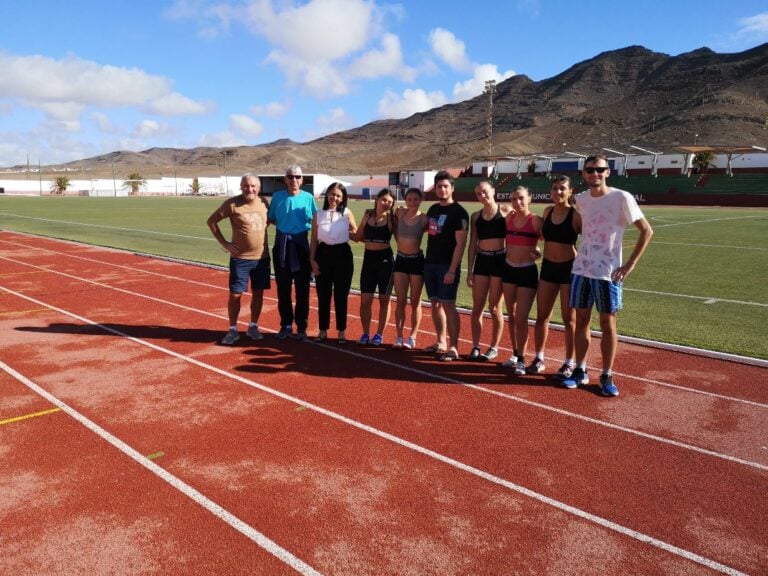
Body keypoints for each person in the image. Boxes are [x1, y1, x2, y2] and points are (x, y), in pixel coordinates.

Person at [562, 154, 653, 396]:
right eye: (590, 170)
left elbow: (646, 231)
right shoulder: (581, 199)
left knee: (607, 323)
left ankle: (606, 374)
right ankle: (580, 370)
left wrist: (630, 264)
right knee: (581, 321)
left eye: (600, 170)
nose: (595, 174)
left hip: (608, 272)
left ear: (608, 172)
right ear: (584, 173)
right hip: (581, 270)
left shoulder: (621, 197)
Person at [207, 173, 270, 345]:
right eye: (246, 185)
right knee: (235, 294)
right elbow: (211, 221)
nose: (249, 189)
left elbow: (268, 222)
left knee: (258, 293)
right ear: (241, 187)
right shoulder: (232, 204)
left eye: (253, 186)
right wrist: (225, 244)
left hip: (262, 258)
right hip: (240, 259)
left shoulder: (264, 203)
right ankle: (233, 329)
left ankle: (253, 326)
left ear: (258, 188)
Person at [528, 175, 581, 378]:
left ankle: (569, 363)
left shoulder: (575, 215)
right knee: (542, 316)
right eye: (555, 188)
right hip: (548, 268)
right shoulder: (547, 211)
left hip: (569, 269)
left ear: (570, 191)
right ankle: (539, 358)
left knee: (569, 319)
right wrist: (537, 250)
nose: (558, 192)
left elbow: (589, 239)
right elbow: (542, 237)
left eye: (562, 188)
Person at [423, 170, 469, 361]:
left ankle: (453, 346)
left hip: (447, 266)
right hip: (430, 263)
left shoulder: (459, 213)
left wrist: (452, 270)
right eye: (439, 186)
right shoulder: (432, 209)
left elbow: (461, 244)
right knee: (435, 303)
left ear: (452, 188)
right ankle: (440, 341)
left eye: (445, 186)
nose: (442, 189)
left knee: (448, 305)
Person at [267, 165, 317, 340]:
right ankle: (286, 325)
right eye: (290, 176)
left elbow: (316, 222)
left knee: (302, 290)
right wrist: (286, 228)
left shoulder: (309, 198)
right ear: (285, 179)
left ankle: (301, 327)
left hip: (301, 246)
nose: (293, 180)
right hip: (281, 245)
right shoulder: (277, 197)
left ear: (302, 180)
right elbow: (272, 218)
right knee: (283, 289)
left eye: (297, 176)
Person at [466, 180, 513, 361]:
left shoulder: (506, 210)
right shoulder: (475, 216)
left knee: (494, 308)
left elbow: (519, 231)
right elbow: (472, 244)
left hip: (500, 261)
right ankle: (476, 346)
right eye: (479, 193)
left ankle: (494, 347)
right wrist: (470, 271)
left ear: (493, 191)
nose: (482, 196)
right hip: (482, 262)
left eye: (485, 191)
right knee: (477, 307)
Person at [501, 186, 543, 376]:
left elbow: (549, 241)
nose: (517, 202)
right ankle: (515, 353)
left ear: (529, 199)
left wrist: (538, 252)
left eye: (521, 198)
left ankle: (522, 360)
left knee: (521, 318)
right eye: (514, 199)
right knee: (511, 315)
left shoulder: (535, 221)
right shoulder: (508, 218)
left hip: (527, 271)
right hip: (508, 269)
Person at [309, 182, 357, 344]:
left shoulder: (347, 213)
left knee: (341, 295)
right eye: (332, 194)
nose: (334, 198)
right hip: (323, 255)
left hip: (343, 255)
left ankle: (341, 331)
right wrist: (312, 261)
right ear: (327, 194)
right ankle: (323, 330)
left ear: (343, 198)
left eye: (338, 195)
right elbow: (313, 240)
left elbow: (356, 233)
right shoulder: (318, 214)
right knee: (323, 295)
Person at [353, 188, 397, 346]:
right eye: (384, 200)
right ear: (377, 199)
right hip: (368, 261)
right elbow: (358, 237)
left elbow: (401, 236)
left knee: (384, 300)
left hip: (385, 262)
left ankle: (379, 334)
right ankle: (365, 333)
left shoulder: (391, 218)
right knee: (365, 301)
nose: (386, 203)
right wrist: (336, 232)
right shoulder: (367, 215)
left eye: (390, 202)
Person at [392, 188, 427, 349]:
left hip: (416, 261)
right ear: (405, 200)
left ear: (420, 200)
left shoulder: (424, 219)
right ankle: (399, 336)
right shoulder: (400, 213)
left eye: (415, 199)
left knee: (415, 301)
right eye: (409, 199)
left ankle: (412, 337)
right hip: (401, 261)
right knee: (400, 300)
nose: (412, 202)